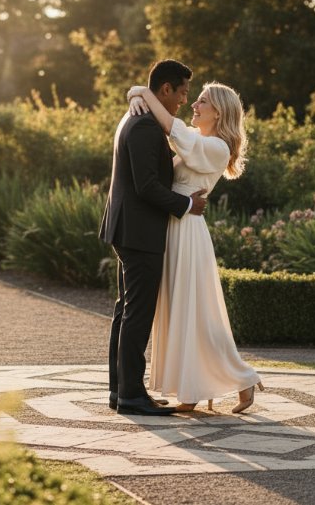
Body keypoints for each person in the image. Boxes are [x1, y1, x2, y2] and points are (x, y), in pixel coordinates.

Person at [126, 81, 264, 414]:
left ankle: (238, 378)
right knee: (178, 311)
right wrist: (135, 94)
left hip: (188, 233)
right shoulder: (198, 139)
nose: (194, 105)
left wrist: (143, 93)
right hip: (172, 229)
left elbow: (171, 128)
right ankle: (194, 388)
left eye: (201, 101)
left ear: (219, 111)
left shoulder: (217, 147)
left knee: (194, 312)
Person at [99, 59, 209, 416]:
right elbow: (146, 186)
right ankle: (131, 394)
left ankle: (121, 390)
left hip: (127, 228)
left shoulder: (136, 115)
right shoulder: (146, 125)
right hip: (140, 231)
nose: (183, 100)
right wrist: (186, 203)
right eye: (182, 92)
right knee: (137, 313)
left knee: (125, 311)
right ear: (165, 90)